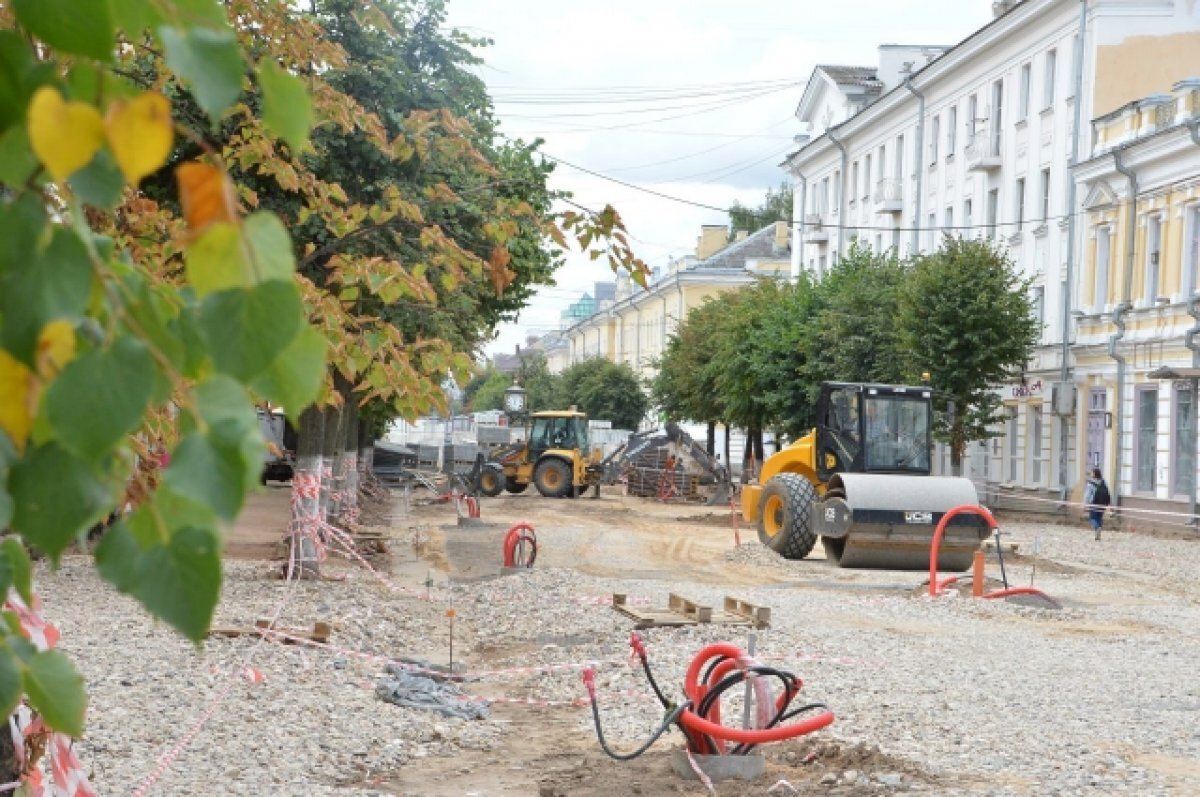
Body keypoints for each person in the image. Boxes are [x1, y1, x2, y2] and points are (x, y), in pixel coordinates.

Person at [1083, 468, 1111, 540]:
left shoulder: (1090, 483)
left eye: (1092, 473)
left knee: (1092, 518)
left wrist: (1085, 504)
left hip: (1094, 503)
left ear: (1094, 474)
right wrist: (1109, 503)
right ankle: (1098, 532)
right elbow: (1108, 492)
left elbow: (1087, 495)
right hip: (1103, 504)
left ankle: (1097, 527)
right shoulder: (1103, 482)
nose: (1091, 474)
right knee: (1099, 517)